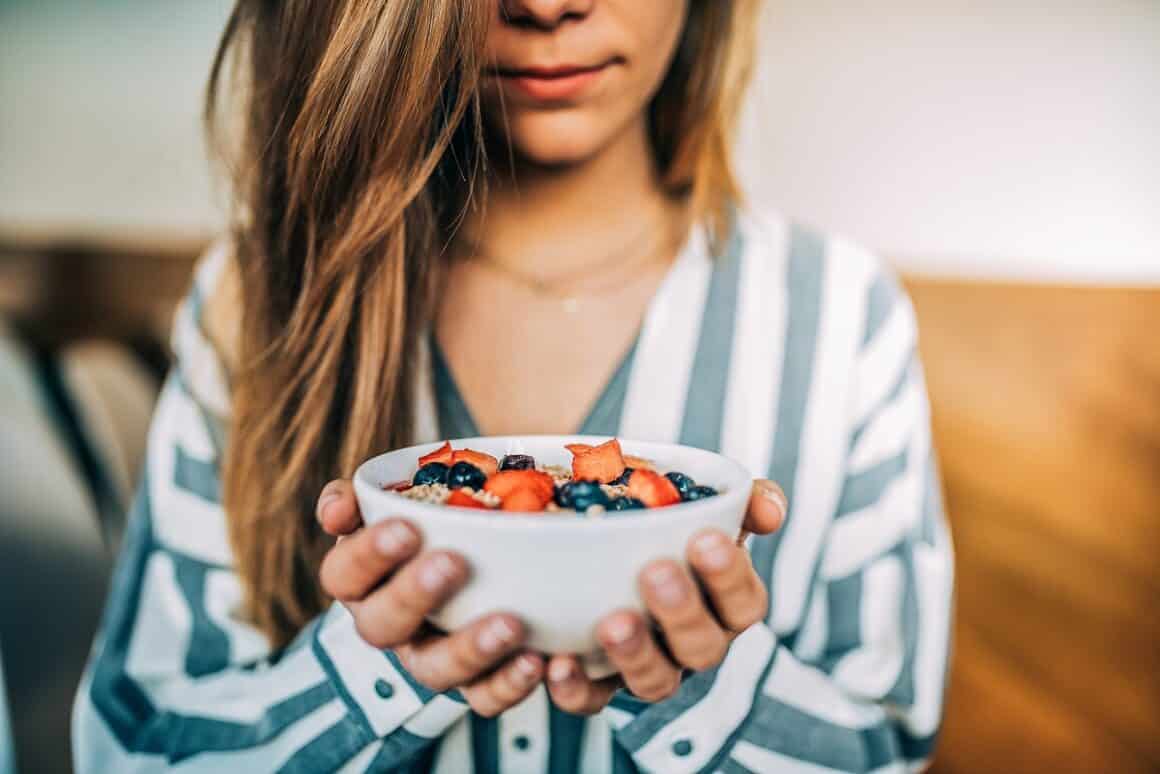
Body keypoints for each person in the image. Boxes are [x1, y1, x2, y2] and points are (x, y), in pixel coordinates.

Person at [72, 1, 954, 771]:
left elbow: (882, 753)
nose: (548, 6)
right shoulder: (256, 298)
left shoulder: (843, 316)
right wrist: (373, 670)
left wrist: (710, 688)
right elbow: (136, 752)